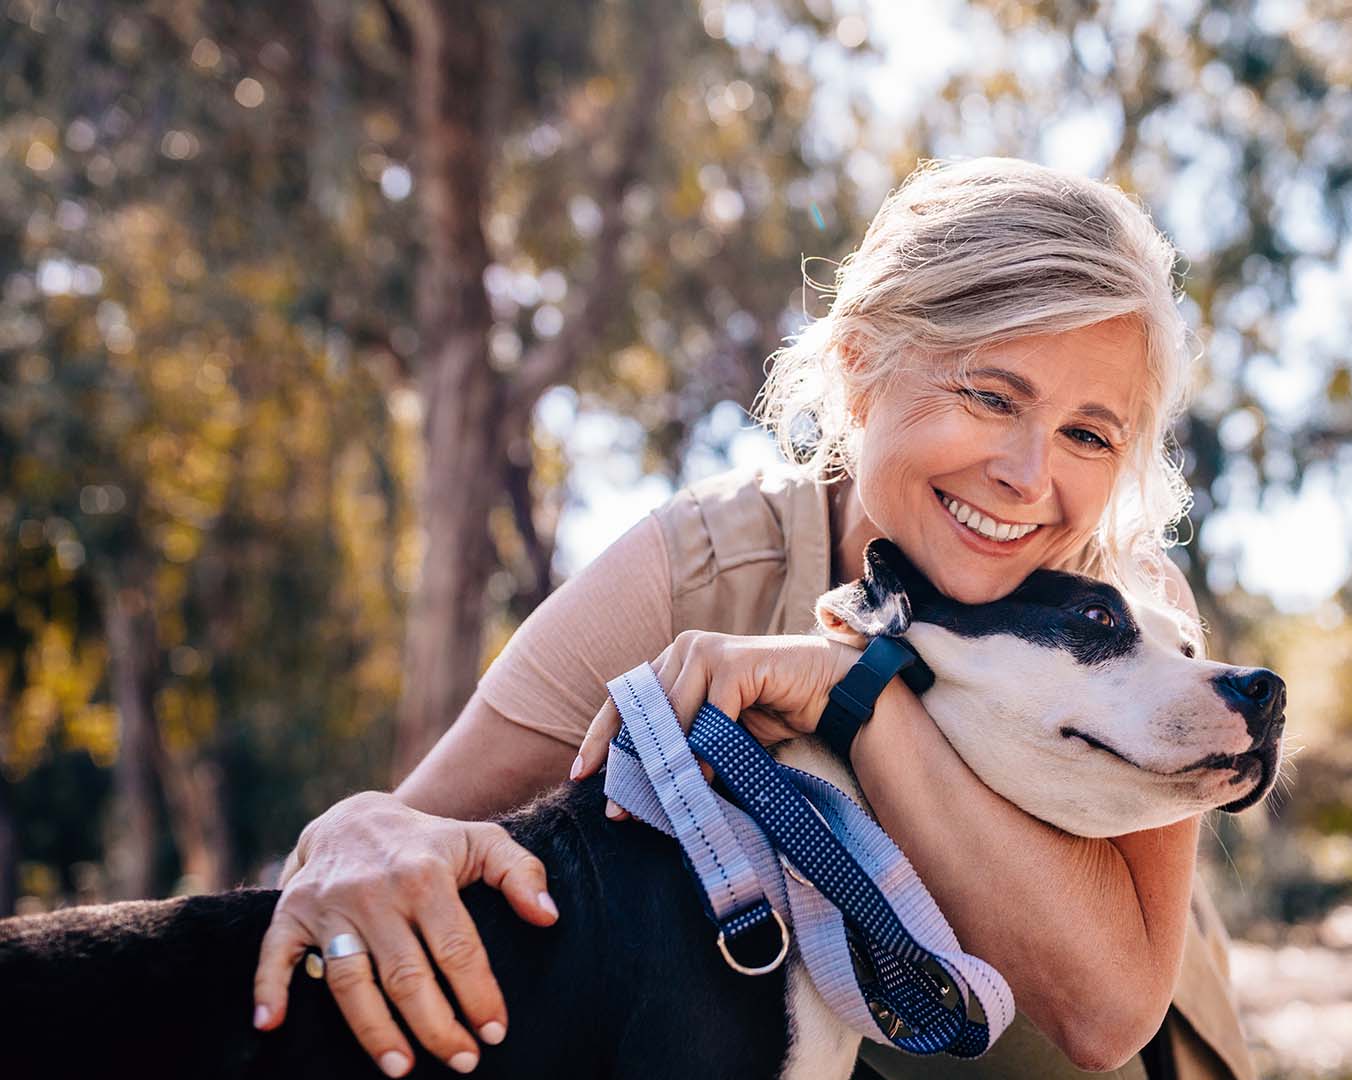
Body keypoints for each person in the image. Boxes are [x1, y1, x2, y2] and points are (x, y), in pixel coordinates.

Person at [250, 156, 1257, 1080]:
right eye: (992, 397)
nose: (1028, 475)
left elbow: (1105, 1013)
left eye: (1087, 434)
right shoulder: (702, 567)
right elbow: (416, 829)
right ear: (862, 364)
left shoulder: (1130, 618)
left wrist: (851, 693)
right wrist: (352, 833)